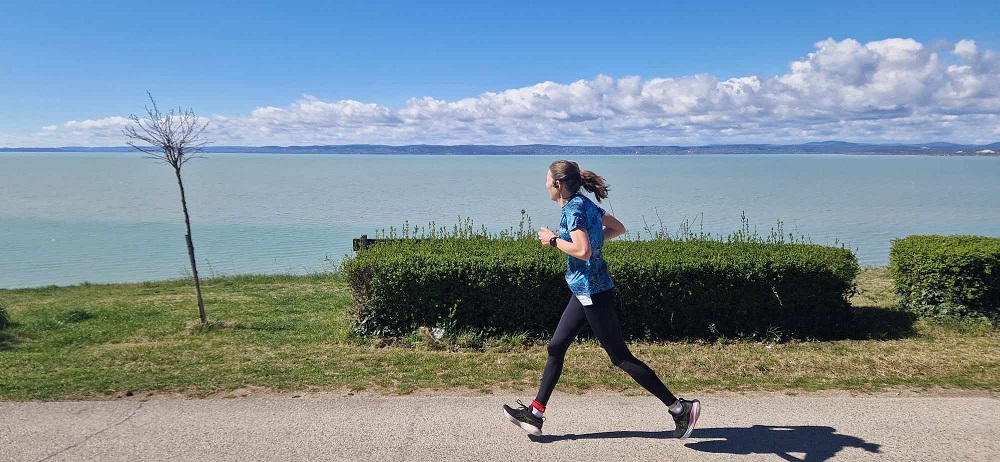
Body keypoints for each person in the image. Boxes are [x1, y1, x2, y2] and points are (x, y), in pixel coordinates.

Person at [503, 160, 700, 438]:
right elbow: (618, 228)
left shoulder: (573, 210)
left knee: (620, 357)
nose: (546, 185)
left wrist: (551, 240)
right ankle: (535, 414)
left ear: (558, 185)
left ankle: (680, 409)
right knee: (556, 346)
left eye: (547, 181)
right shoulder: (585, 204)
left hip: (593, 294)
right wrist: (591, 244)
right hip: (584, 290)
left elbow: (582, 251)